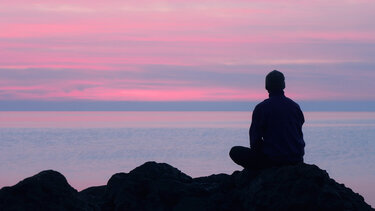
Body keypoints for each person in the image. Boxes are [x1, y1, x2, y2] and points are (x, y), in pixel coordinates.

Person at [229, 70, 305, 170]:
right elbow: (298, 130)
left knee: (235, 151)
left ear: (266, 86)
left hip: (273, 161)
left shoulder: (262, 108)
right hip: (296, 159)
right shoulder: (295, 106)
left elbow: (255, 140)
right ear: (283, 85)